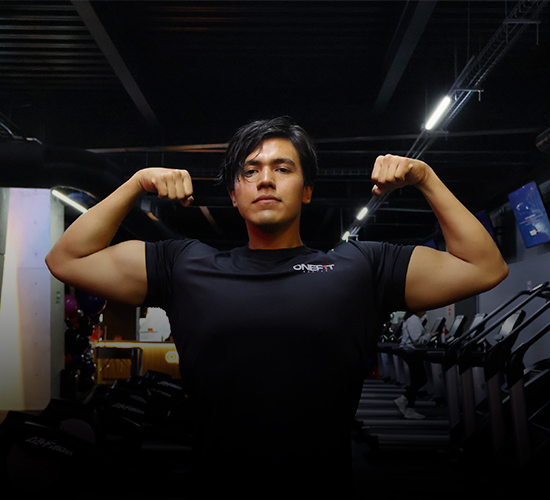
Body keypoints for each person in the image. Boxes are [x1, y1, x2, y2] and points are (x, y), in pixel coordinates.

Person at [45, 116, 508, 498]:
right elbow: (66, 259)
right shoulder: (184, 265)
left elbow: (484, 267)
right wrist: (134, 184)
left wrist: (426, 178)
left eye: (283, 168)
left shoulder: (361, 266)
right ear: (234, 194)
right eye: (250, 171)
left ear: (307, 190)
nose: (265, 179)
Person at [393, 310, 435, 419]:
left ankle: (410, 409)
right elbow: (417, 341)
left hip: (410, 352)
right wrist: (429, 336)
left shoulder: (411, 319)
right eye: (424, 309)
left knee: (416, 381)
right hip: (412, 353)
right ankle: (403, 400)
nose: (425, 312)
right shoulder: (414, 320)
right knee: (421, 380)